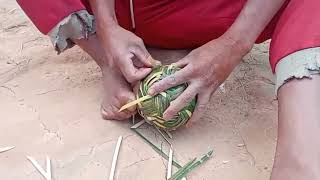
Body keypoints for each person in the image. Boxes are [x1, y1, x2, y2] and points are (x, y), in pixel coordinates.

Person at [17, 0, 320, 179]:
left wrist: (234, 44)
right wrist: (106, 32)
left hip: (225, 13)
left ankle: (298, 164)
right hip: (127, 12)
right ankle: (112, 61)